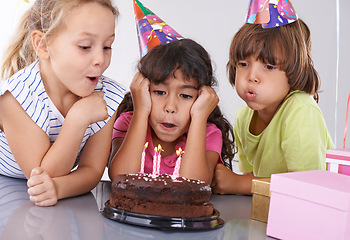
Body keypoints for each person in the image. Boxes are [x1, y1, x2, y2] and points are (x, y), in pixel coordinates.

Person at [0, 0, 125, 206]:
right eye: (85, 46)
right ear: (42, 45)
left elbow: (92, 170)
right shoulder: (15, 97)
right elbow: (42, 175)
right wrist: (77, 119)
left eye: (107, 46)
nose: (100, 59)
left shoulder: (105, 97)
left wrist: (59, 189)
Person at [211, 19, 334, 195]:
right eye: (243, 64)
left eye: (269, 66)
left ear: (294, 72)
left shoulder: (301, 111)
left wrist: (238, 183)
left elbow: (308, 188)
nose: (252, 76)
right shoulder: (243, 117)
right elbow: (252, 179)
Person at [109, 39, 235, 184]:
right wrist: (141, 110)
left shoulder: (208, 134)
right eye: (160, 92)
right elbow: (120, 178)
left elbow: (194, 185)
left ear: (202, 97)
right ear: (144, 90)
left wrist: (199, 116)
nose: (170, 107)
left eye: (186, 96)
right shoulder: (128, 122)